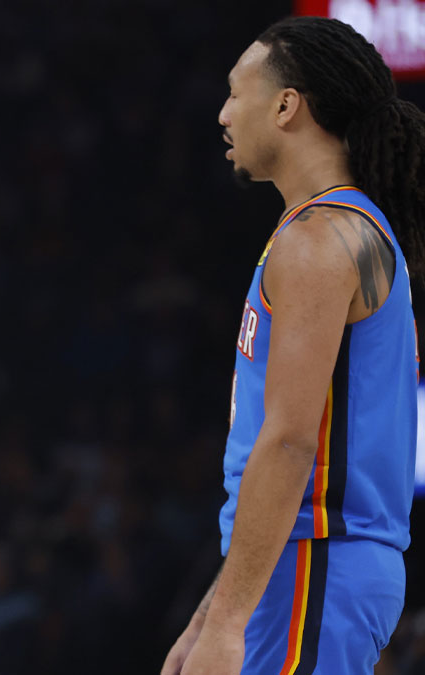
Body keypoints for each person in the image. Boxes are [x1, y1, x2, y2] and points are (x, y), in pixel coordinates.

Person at [161, 16, 425, 675]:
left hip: (318, 561)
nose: (223, 114)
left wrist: (226, 626)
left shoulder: (320, 240)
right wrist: (211, 612)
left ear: (286, 105)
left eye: (235, 92)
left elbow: (289, 442)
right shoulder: (341, 230)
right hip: (312, 563)